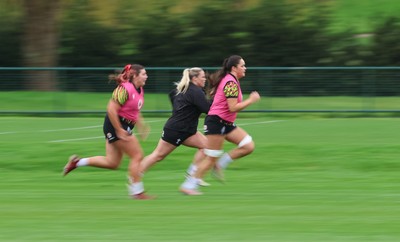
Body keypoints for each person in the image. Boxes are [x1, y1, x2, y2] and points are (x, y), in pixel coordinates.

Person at [63, 64, 154, 200]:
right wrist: (119, 130)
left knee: (113, 163)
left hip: (123, 126)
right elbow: (111, 109)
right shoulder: (124, 89)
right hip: (115, 125)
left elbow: (134, 110)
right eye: (144, 74)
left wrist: (141, 125)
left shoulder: (139, 89)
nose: (146, 76)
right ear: (134, 75)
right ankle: (136, 192)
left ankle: (77, 163)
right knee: (137, 155)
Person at [180, 55, 261, 195]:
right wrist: (251, 100)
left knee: (248, 145)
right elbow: (233, 107)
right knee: (211, 156)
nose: (245, 68)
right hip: (217, 122)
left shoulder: (231, 80)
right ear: (234, 68)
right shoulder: (230, 83)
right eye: (242, 66)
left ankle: (219, 165)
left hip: (226, 123)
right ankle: (188, 186)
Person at [139, 67, 211, 187]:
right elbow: (207, 109)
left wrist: (178, 110)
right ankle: (135, 175)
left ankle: (192, 174)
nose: (205, 79)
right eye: (203, 76)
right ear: (194, 78)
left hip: (188, 131)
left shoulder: (187, 89)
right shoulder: (195, 91)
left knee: (207, 147)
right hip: (176, 130)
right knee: (158, 156)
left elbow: (172, 94)